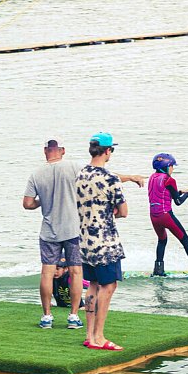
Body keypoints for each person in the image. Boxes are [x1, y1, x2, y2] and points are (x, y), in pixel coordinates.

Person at [24, 139, 143, 329]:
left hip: (48, 230)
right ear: (62, 151)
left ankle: (46, 316)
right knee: (76, 271)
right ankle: (73, 316)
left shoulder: (36, 174)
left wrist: (43, 202)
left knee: (47, 272)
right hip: (74, 228)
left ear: (45, 151)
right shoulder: (74, 167)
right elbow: (102, 176)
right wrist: (130, 177)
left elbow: (28, 203)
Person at [76, 132, 128, 351]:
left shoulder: (80, 175)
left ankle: (89, 335)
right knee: (109, 286)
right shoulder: (110, 179)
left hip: (85, 240)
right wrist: (112, 210)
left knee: (93, 286)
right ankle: (99, 336)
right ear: (107, 151)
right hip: (105, 242)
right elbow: (123, 211)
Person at [148, 153, 188, 277]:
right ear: (167, 166)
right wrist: (187, 194)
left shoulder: (152, 177)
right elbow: (178, 201)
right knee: (185, 240)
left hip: (154, 216)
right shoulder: (170, 180)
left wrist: (180, 191)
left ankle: (158, 270)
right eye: (172, 166)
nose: (173, 169)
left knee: (162, 240)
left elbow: (163, 192)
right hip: (166, 216)